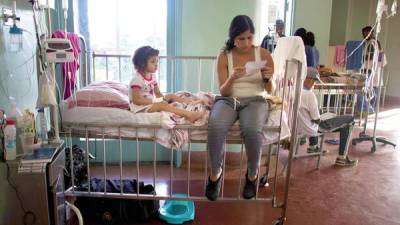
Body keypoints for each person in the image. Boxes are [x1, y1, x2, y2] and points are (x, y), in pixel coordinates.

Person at [205, 15, 275, 201]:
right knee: (216, 126)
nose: (246, 43)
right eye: (241, 39)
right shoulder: (224, 56)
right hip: (228, 99)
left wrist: (268, 79)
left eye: (250, 37)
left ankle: (252, 175)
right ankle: (215, 174)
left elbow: (270, 90)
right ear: (233, 37)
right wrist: (232, 78)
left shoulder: (264, 55)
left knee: (252, 130)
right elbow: (223, 90)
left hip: (255, 100)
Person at [298, 67, 358, 167]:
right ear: (308, 79)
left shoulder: (294, 91)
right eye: (314, 81)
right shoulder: (309, 95)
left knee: (319, 111)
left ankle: (313, 146)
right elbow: (317, 120)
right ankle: (342, 158)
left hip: (300, 126)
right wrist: (324, 118)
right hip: (313, 127)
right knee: (349, 120)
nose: (314, 84)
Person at [130, 46, 203, 123]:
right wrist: (157, 102)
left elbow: (157, 93)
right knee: (161, 105)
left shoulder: (152, 76)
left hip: (150, 102)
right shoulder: (137, 79)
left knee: (170, 96)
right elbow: (136, 100)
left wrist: (163, 100)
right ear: (142, 64)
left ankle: (189, 103)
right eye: (152, 62)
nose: (156, 64)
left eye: (157, 61)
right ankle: (189, 115)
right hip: (140, 107)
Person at [356, 26, 383, 114]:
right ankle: (367, 109)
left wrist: (360, 57)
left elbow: (370, 56)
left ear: (371, 33)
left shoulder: (371, 43)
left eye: (366, 33)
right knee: (369, 90)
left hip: (367, 68)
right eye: (363, 33)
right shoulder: (375, 42)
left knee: (361, 89)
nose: (364, 35)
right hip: (371, 68)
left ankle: (367, 109)